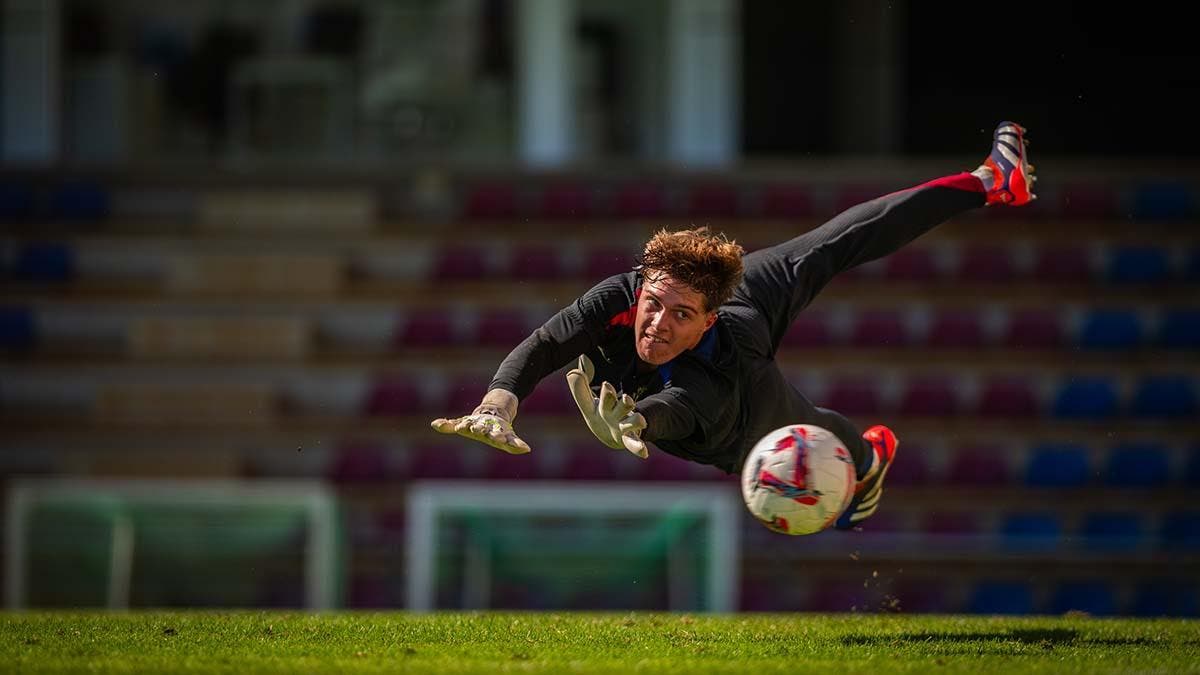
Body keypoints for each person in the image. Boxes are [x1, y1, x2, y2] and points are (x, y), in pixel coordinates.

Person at [432, 121, 1036, 530]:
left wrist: (635, 420)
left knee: (835, 245)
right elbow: (546, 344)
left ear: (708, 317)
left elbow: (682, 404)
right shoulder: (619, 298)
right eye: (655, 303)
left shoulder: (719, 365)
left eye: (681, 315)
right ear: (643, 286)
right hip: (702, 414)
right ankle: (865, 461)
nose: (657, 323)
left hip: (736, 408)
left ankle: (988, 181)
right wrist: (497, 402)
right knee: (817, 405)